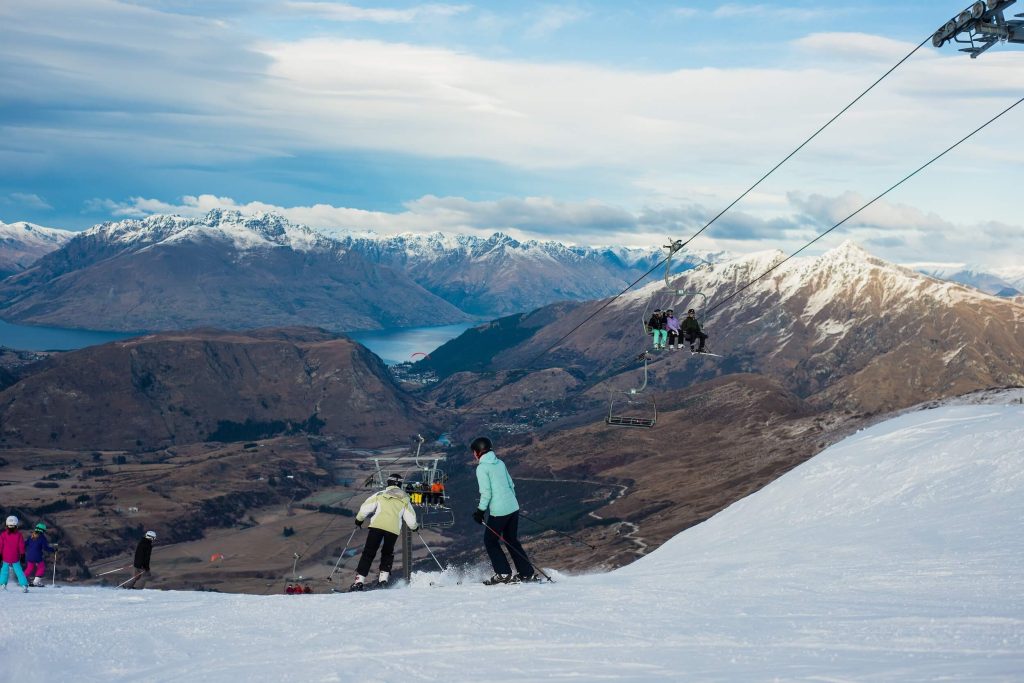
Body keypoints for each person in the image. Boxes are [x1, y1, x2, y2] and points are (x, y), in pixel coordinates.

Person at [471, 437, 535, 585]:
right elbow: (511, 485)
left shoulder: (482, 468)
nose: (473, 455)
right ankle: (527, 573)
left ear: (478, 452)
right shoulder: (500, 463)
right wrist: (510, 504)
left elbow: (486, 493)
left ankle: (503, 573)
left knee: (490, 540)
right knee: (511, 540)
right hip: (513, 507)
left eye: (474, 452)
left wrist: (480, 511)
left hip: (499, 512)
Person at [349, 474, 418, 591]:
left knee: (368, 553)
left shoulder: (380, 494)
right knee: (387, 553)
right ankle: (383, 581)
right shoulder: (405, 499)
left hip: (377, 526)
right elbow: (411, 519)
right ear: (400, 485)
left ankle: (359, 582)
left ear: (388, 483)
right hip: (393, 529)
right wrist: (415, 527)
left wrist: (359, 520)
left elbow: (365, 508)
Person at [0, 515, 29, 592]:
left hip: (5, 557)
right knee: (19, 571)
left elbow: (1, 546)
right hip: (15, 557)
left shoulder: (3, 535)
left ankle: (2, 584)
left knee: (4, 571)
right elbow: (21, 546)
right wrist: (22, 555)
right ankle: (24, 585)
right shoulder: (19, 535)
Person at [24, 522, 55, 587]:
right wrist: (53, 550)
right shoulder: (42, 538)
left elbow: (25, 544)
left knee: (30, 568)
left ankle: (22, 580)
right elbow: (45, 548)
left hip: (29, 556)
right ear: (43, 530)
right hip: (37, 556)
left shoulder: (31, 537)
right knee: (41, 567)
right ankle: (36, 582)